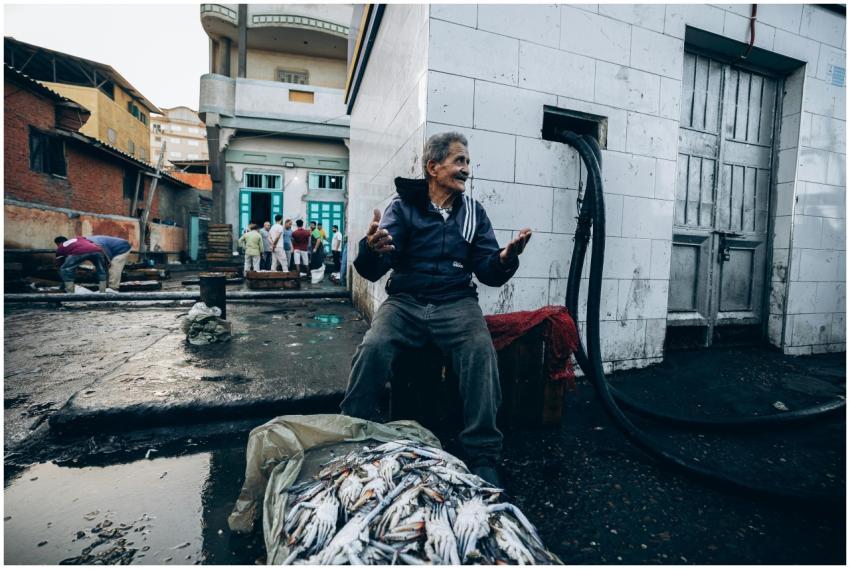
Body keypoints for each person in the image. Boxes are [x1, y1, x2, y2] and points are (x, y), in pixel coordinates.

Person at [339, 132, 532, 487]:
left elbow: (488, 271)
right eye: (459, 161)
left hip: (456, 302)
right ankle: (350, 434)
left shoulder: (474, 212)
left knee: (479, 351)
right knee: (373, 347)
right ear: (433, 166)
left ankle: (483, 454)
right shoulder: (403, 207)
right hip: (405, 302)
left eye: (468, 162)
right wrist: (373, 249)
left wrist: (505, 259)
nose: (466, 170)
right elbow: (373, 268)